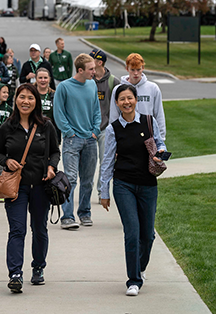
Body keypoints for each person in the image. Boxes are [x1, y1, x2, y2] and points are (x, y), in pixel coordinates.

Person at [100, 84, 167, 296]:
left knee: (148, 236)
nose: (126, 102)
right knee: (132, 232)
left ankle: (140, 267)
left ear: (136, 100)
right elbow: (108, 160)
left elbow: (160, 143)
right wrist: (104, 191)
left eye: (129, 98)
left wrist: (161, 152)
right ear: (117, 103)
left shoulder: (149, 121)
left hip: (148, 184)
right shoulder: (113, 129)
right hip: (124, 185)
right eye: (122, 99)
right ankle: (133, 280)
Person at [0, 83, 60, 293]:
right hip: (17, 187)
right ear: (16, 100)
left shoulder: (46, 126)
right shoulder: (7, 126)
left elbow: (55, 152)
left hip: (41, 185)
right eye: (22, 97)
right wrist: (6, 161)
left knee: (39, 228)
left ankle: (38, 267)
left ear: (36, 102)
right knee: (17, 230)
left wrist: (51, 166)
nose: (26, 101)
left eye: (30, 98)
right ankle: (15, 273)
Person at [54, 53, 101, 230]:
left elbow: (97, 110)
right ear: (80, 70)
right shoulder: (64, 87)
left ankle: (85, 213)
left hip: (90, 140)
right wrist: (69, 132)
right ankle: (67, 216)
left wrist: (95, 131)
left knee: (88, 180)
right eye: (91, 69)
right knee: (71, 179)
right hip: (72, 141)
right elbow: (59, 113)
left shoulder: (92, 84)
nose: (94, 72)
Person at [109, 53, 166, 140]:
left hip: (148, 134)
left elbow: (159, 114)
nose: (136, 73)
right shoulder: (118, 89)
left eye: (138, 69)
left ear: (143, 68)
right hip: (125, 134)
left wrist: (161, 137)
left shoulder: (153, 88)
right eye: (132, 70)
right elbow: (114, 115)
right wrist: (114, 137)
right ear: (127, 68)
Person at [89, 48, 120, 202]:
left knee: (105, 161)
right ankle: (86, 191)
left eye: (91, 60)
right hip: (88, 129)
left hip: (105, 129)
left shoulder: (113, 81)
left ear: (99, 62)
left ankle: (102, 191)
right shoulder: (87, 80)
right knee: (88, 163)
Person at [34, 67, 61, 143]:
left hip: (51, 133)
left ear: (49, 79)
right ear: (36, 79)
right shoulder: (31, 94)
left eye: (45, 78)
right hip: (34, 132)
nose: (43, 80)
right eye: (40, 78)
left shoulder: (55, 95)